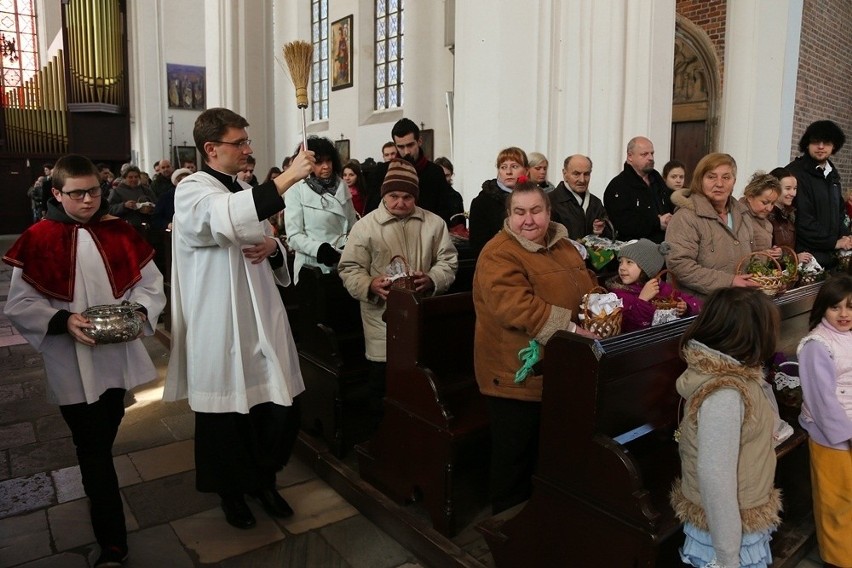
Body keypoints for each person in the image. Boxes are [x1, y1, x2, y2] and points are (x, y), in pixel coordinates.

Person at [3, 154, 165, 568]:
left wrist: (142, 312)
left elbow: (151, 283)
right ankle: (112, 541)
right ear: (57, 193)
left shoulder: (119, 231)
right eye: (78, 193)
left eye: (94, 190)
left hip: (115, 356)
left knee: (103, 437)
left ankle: (101, 498)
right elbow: (20, 303)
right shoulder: (39, 237)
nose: (90, 200)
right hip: (70, 358)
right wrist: (61, 319)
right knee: (92, 448)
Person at [163, 107, 315, 530]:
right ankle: (233, 494)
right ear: (211, 149)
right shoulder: (192, 189)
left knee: (278, 405)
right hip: (221, 319)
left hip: (261, 314)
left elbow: (263, 236)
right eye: (240, 142)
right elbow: (225, 219)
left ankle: (264, 481)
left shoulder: (243, 187)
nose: (248, 149)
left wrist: (274, 247)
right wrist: (287, 177)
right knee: (228, 415)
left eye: (247, 141)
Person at [472, 180, 597, 513]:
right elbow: (515, 306)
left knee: (550, 454)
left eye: (536, 211)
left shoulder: (563, 246)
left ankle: (542, 524)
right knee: (515, 459)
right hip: (515, 375)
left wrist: (607, 306)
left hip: (559, 368)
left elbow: (586, 284)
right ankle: (507, 531)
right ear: (509, 216)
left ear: (549, 211)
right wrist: (571, 329)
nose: (528, 220)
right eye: (520, 212)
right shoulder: (499, 253)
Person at [338, 159, 458, 421]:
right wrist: (369, 284)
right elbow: (349, 268)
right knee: (381, 385)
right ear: (384, 194)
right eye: (393, 196)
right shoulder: (365, 227)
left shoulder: (434, 224)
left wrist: (432, 279)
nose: (400, 203)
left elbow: (448, 262)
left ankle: (413, 435)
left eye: (407, 197)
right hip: (381, 321)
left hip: (421, 316)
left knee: (418, 382)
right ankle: (380, 437)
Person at [670, 287, 782, 568]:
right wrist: (728, 556)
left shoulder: (738, 378)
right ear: (750, 335)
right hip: (728, 533)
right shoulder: (725, 395)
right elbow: (715, 480)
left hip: (740, 516)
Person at [796, 274, 852, 568]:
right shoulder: (817, 345)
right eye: (835, 308)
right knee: (837, 504)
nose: (844, 315)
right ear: (822, 309)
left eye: (850, 307)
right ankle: (839, 560)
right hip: (833, 438)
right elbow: (822, 401)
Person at [665, 153, 760, 299]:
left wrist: (766, 279)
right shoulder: (686, 217)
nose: (719, 184)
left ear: (734, 181)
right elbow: (679, 266)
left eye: (726, 177)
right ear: (700, 180)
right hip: (701, 310)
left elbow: (753, 257)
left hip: (738, 306)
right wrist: (729, 281)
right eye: (711, 177)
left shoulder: (743, 214)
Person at [285, 136, 358, 283]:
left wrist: (348, 243)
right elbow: (293, 236)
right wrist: (320, 249)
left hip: (342, 264)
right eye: (319, 162)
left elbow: (352, 225)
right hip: (312, 267)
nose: (326, 166)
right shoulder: (296, 189)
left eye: (329, 160)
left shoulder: (341, 185)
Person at [364, 119, 462, 224]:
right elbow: (372, 211)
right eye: (400, 147)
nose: (406, 152)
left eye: (410, 145)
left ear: (419, 141)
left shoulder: (435, 172)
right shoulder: (383, 171)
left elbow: (443, 211)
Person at [786, 120, 852, 268]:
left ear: (834, 145)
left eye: (826, 142)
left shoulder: (832, 174)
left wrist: (846, 236)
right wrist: (833, 243)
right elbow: (803, 220)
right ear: (807, 144)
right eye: (816, 142)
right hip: (807, 259)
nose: (821, 147)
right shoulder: (795, 173)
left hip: (832, 256)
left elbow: (840, 212)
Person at [605, 238, 701, 332]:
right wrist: (642, 300)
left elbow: (694, 302)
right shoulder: (618, 296)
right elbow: (630, 327)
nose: (622, 267)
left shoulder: (662, 288)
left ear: (646, 268)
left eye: (629, 262)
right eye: (620, 262)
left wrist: (685, 307)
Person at [604, 136, 673, 243]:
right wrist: (657, 222)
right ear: (630, 156)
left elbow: (669, 204)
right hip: (635, 251)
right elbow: (624, 224)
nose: (650, 158)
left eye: (652, 153)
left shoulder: (658, 180)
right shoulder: (618, 187)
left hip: (665, 245)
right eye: (644, 154)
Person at [469, 146, 528, 254]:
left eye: (514, 166)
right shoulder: (482, 202)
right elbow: (478, 246)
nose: (508, 172)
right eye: (503, 167)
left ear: (526, 170)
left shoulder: (537, 197)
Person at [549, 154, 611, 240]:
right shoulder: (550, 201)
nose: (582, 180)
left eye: (586, 174)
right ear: (565, 174)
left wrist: (601, 231)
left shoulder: (596, 203)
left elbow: (610, 238)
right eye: (576, 174)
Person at [739, 171, 781, 257]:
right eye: (764, 202)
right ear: (750, 197)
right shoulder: (738, 218)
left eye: (773, 203)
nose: (769, 208)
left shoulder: (768, 224)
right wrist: (763, 255)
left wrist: (777, 253)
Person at [107, 165, 158, 231]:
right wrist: (124, 206)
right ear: (124, 178)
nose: (134, 179)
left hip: (145, 228)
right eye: (130, 177)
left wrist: (150, 208)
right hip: (126, 228)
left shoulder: (146, 190)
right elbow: (109, 209)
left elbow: (156, 204)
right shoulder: (117, 191)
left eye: (136, 177)